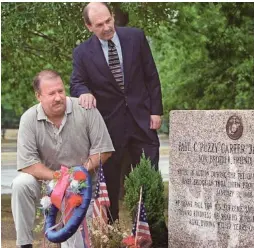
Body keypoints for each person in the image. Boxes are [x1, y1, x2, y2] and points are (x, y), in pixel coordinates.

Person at [70, 2, 163, 221]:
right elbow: (76, 83)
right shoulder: (82, 53)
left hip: (143, 122)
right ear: (88, 26)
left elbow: (151, 75)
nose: (107, 27)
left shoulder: (136, 37)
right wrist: (84, 92)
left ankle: (152, 235)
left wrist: (156, 111)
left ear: (112, 16)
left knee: (147, 181)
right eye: (100, 24)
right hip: (109, 129)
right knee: (109, 187)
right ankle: (110, 235)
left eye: (109, 20)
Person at [11, 69, 114, 248]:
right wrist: (60, 178)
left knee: (74, 244)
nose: (58, 97)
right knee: (21, 183)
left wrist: (76, 176)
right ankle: (25, 244)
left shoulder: (86, 109)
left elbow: (103, 151)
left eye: (61, 91)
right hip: (47, 186)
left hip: (83, 188)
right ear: (38, 96)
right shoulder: (28, 119)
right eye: (51, 93)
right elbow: (28, 164)